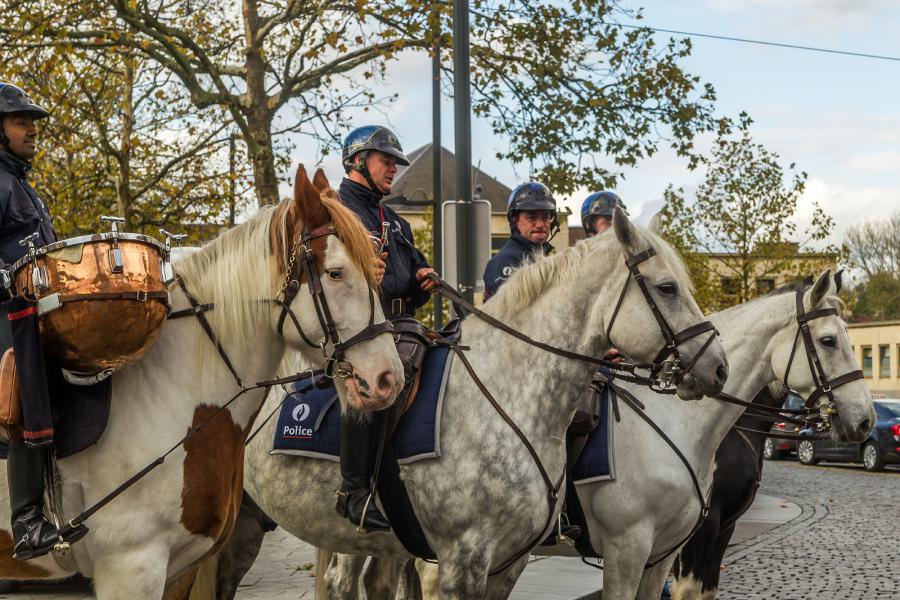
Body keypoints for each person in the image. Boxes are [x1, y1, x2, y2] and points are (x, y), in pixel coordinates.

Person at [335, 125, 437, 532]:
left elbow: (411, 278)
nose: (394, 168)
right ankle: (354, 490)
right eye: (386, 159)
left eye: (396, 161)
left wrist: (423, 279)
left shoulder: (394, 220)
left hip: (401, 321)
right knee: (378, 378)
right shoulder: (337, 210)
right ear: (358, 160)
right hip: (356, 328)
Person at [0, 82, 87, 559]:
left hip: (28, 310)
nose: (32, 129)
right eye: (20, 122)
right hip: (8, 314)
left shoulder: (20, 184)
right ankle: (27, 521)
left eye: (33, 122)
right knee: (26, 396)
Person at [482, 182, 559, 300]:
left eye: (545, 217)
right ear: (514, 220)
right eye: (531, 217)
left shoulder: (545, 258)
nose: (540, 224)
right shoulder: (504, 262)